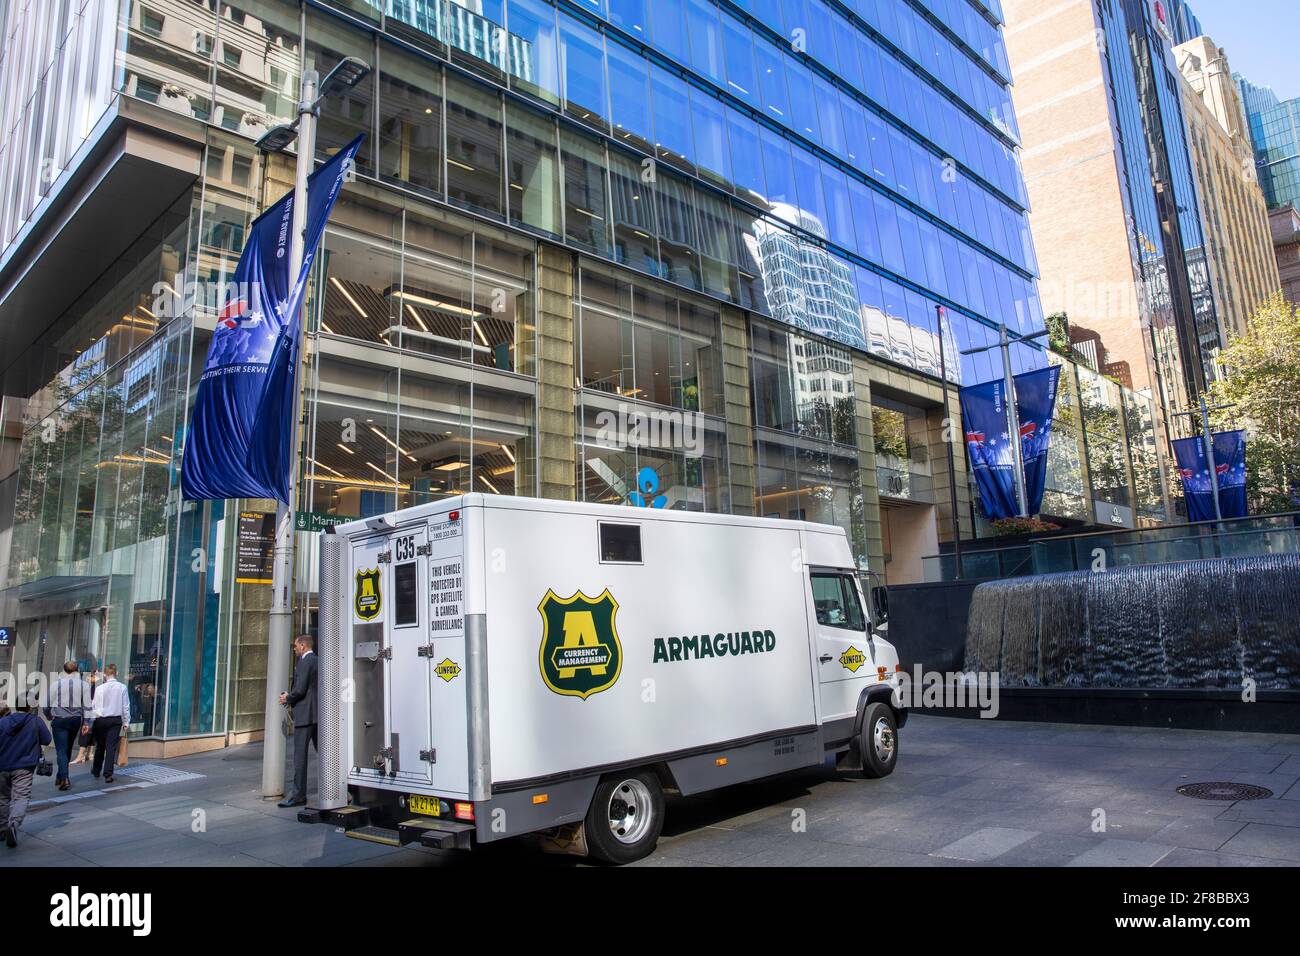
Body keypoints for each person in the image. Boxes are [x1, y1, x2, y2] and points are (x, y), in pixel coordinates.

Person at [0, 693, 52, 848]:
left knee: (2, 798)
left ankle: (2, 829)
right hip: (24, 766)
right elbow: (47, 739)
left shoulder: (3, 721)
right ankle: (14, 824)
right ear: (30, 706)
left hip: (2, 765)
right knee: (21, 797)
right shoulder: (35, 721)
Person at [278, 634, 318, 808]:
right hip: (317, 715)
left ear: (302, 645)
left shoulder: (304, 661)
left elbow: (300, 689)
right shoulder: (317, 660)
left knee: (299, 758)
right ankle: (339, 789)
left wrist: (288, 698)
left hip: (304, 716)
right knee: (324, 754)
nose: (294, 649)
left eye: (295, 646)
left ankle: (298, 795)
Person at [45, 662, 91, 791]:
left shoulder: (56, 684)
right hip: (75, 720)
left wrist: (48, 715)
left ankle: (64, 778)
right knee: (68, 748)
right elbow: (88, 705)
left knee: (61, 750)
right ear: (78, 670)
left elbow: (46, 703)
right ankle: (61, 776)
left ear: (64, 670)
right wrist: (87, 722)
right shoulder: (84, 685)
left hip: (59, 719)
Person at [86, 663, 130, 783]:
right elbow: (125, 707)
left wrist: (90, 722)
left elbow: (94, 706)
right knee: (111, 747)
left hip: (100, 720)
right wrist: (126, 722)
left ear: (105, 675)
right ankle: (108, 774)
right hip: (115, 720)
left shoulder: (100, 689)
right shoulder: (122, 688)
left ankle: (96, 769)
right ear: (116, 673)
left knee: (100, 746)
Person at [70, 667, 100, 765]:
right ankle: (89, 753)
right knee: (92, 732)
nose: (87, 679)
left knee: (85, 732)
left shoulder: (95, 687)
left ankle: (80, 755)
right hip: (95, 713)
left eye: (90, 676)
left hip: (90, 712)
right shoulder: (98, 686)